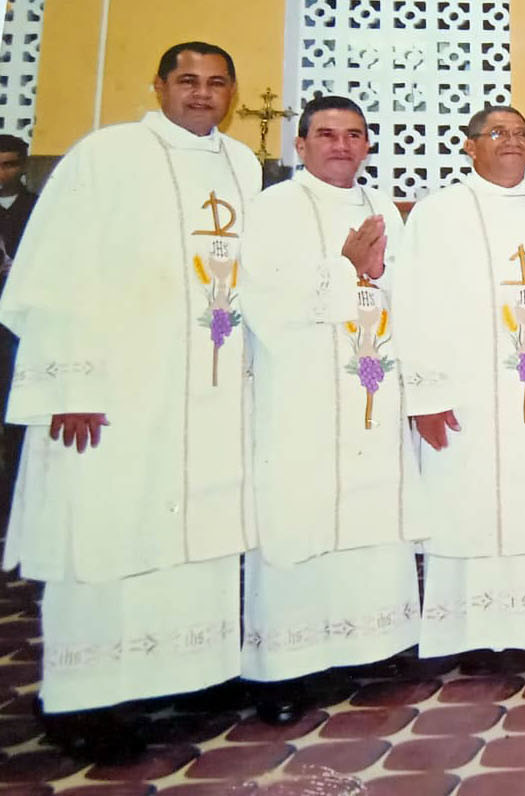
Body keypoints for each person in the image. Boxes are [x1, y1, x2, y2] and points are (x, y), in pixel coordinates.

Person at [0, 41, 260, 759]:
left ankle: (188, 671)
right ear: (159, 85)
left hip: (204, 391)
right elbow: (51, 275)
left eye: (215, 83)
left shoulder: (239, 165)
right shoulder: (105, 156)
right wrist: (70, 385)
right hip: (115, 394)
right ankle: (79, 699)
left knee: (195, 535)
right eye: (187, 80)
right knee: (104, 537)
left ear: (232, 93)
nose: (202, 94)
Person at [392, 105, 525, 657]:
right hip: (467, 397)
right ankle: (471, 632)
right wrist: (426, 397)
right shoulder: (438, 214)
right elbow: (412, 305)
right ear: (470, 146)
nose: (511, 142)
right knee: (471, 505)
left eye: (520, 133)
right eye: (497, 133)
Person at [238, 95, 420, 725]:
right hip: (302, 391)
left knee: (371, 511)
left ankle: (367, 645)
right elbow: (260, 295)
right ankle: (284, 668)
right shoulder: (274, 208)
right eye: (327, 135)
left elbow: (410, 291)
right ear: (302, 145)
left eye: (354, 135)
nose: (342, 146)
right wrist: (344, 269)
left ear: (368, 145)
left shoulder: (383, 210)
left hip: (371, 386)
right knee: (299, 518)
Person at [0, 134, 38, 498]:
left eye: (9, 164)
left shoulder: (38, 208)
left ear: (23, 166)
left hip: (17, 331)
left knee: (13, 419)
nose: (1, 173)